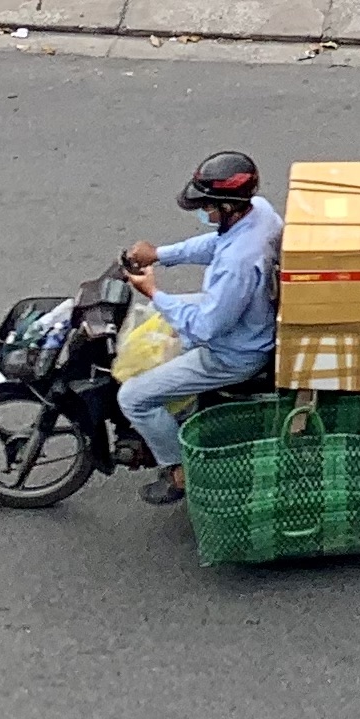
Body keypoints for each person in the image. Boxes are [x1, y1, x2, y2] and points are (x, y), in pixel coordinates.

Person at [116, 150, 281, 504]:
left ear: (229, 207)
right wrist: (161, 254)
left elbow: (208, 328)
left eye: (209, 206)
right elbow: (217, 244)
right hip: (251, 319)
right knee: (164, 319)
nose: (205, 213)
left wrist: (154, 292)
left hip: (234, 353)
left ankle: (181, 471)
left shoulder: (238, 265)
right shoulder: (259, 213)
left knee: (133, 397)